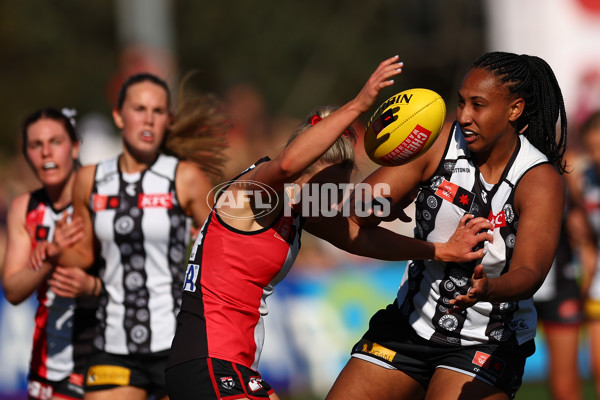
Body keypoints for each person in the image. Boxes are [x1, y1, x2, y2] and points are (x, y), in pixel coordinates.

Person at [164, 55, 495, 400]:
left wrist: (438, 249)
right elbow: (289, 163)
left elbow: (358, 238)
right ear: (308, 173)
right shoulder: (258, 192)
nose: (337, 197)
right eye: (333, 187)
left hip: (221, 365)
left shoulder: (297, 206)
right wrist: (358, 104)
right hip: (212, 362)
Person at [325, 51, 568, 400]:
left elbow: (531, 272)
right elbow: (358, 211)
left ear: (514, 109)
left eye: (478, 105)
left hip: (488, 340)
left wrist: (489, 289)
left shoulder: (538, 179)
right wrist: (380, 204)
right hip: (409, 325)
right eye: (461, 103)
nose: (464, 116)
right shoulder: (438, 145)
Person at [33, 73, 230, 400]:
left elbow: (224, 247)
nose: (148, 118)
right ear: (118, 116)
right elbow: (84, 255)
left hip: (177, 343)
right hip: (113, 346)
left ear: (168, 120)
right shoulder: (90, 180)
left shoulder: (186, 178)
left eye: (157, 110)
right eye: (139, 108)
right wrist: (52, 251)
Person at [2, 107, 100, 400]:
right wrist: (50, 257)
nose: (46, 153)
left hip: (104, 350)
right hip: (48, 355)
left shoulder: (101, 199)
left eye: (55, 142)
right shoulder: (25, 208)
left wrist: (91, 287)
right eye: (35, 145)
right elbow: (13, 289)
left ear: (75, 147)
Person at [571, 110, 600, 399]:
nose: (597, 156)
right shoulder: (586, 180)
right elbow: (589, 242)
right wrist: (588, 280)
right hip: (599, 288)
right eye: (592, 149)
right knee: (598, 369)